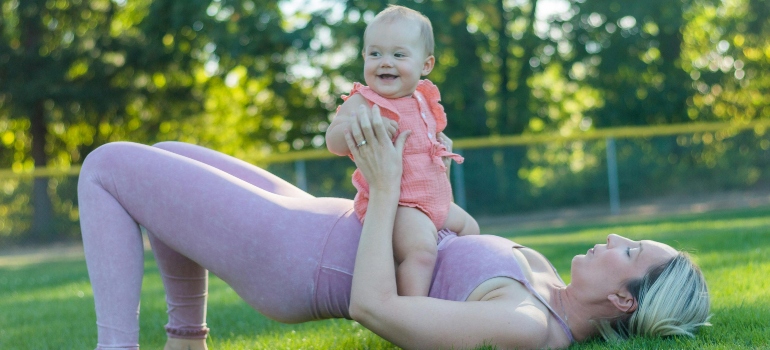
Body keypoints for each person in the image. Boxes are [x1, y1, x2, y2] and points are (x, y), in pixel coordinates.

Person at [78, 104, 711, 350]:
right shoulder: (543, 282)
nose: (612, 240)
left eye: (628, 251)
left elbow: (374, 306)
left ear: (624, 297)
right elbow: (447, 246)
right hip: (317, 219)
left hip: (292, 257)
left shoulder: (524, 326)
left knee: (107, 167)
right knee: (165, 152)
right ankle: (186, 340)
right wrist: (426, 172)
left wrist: (384, 187)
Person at [325, 5, 480, 297]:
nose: (385, 62)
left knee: (471, 229)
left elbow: (424, 136)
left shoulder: (423, 99)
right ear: (364, 58)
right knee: (420, 251)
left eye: (398, 55)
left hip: (435, 200)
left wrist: (440, 141)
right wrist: (368, 127)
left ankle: (457, 294)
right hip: (398, 206)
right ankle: (409, 315)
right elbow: (333, 140)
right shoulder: (364, 101)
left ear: (425, 65)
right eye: (375, 54)